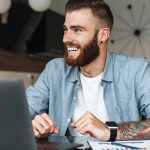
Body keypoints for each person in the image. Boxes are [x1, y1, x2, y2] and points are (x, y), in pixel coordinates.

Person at [26, 0, 150, 141]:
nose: (66, 39)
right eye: (66, 29)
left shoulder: (136, 71)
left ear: (102, 35)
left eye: (77, 30)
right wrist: (31, 125)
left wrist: (108, 130)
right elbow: (17, 113)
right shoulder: (55, 70)